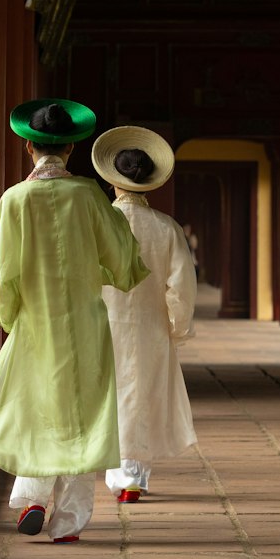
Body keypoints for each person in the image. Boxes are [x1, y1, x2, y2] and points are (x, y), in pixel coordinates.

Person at [0, 98, 148, 542]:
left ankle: (32, 497)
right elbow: (120, 256)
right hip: (85, 321)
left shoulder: (14, 199)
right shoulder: (87, 195)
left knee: (33, 406)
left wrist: (6, 315)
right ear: (71, 148)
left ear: (29, 148)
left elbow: (3, 270)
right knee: (85, 414)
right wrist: (112, 269)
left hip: (34, 321)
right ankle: (67, 522)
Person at [91, 125, 197, 504]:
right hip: (150, 324)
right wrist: (177, 326)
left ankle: (121, 473)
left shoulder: (98, 224)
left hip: (101, 321)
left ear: (112, 181)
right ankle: (132, 475)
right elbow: (181, 286)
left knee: (110, 394)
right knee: (141, 394)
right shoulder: (166, 228)